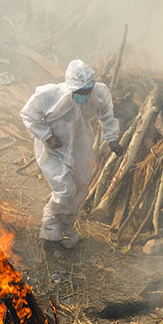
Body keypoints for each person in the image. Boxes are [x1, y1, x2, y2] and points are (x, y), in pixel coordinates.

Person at [20, 59, 123, 249]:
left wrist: (112, 139)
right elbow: (28, 115)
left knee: (80, 187)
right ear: (71, 87)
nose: (84, 95)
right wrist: (47, 136)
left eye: (87, 91)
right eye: (79, 92)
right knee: (64, 190)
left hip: (80, 145)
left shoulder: (98, 93)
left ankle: (68, 228)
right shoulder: (50, 95)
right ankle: (50, 230)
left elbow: (107, 115)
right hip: (53, 148)